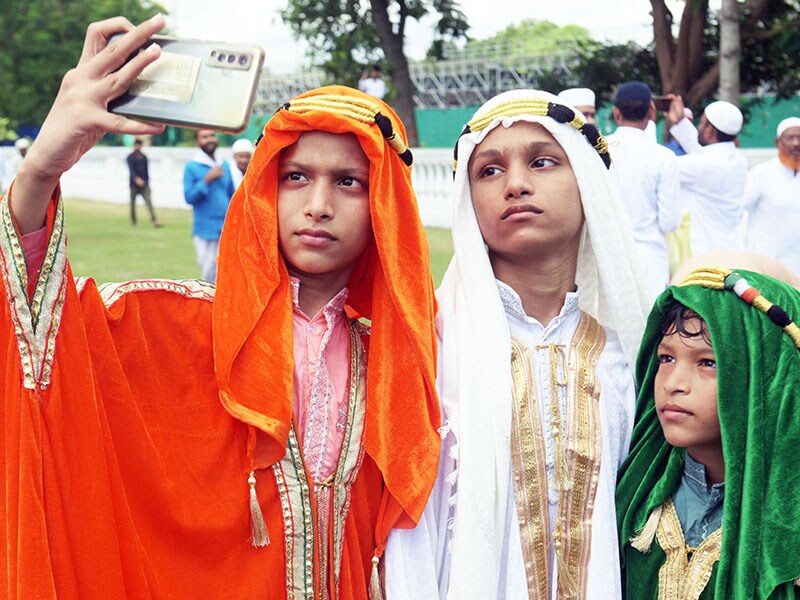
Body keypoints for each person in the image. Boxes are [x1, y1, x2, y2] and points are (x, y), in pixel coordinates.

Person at [1, 14, 439, 599]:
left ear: (387, 202)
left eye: (349, 182)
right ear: (263, 187)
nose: (317, 204)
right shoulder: (173, 324)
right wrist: (40, 171)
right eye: (295, 176)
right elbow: (37, 328)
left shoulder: (407, 353)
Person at [385, 89, 650, 599]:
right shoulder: (430, 347)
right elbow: (408, 537)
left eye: (543, 161)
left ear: (586, 183)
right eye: (489, 170)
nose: (516, 185)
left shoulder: (636, 358)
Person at [617, 266, 800, 598]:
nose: (673, 384)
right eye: (666, 358)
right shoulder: (634, 496)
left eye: (708, 363)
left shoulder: (790, 525)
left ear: (768, 378)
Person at [607, 81, 680, 300]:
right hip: (650, 258)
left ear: (615, 112)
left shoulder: (598, 149)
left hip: (607, 252)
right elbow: (669, 222)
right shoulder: (664, 157)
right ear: (651, 111)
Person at [666, 96, 747, 257]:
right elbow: (702, 154)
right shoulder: (738, 160)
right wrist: (680, 123)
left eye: (702, 123)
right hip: (730, 249)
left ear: (710, 130)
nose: (699, 127)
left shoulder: (703, 165)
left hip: (703, 254)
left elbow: (660, 167)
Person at [742, 117, 800, 275]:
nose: (796, 143)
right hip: (767, 267)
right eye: (790, 138)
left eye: (799, 138)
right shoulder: (760, 174)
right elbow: (738, 211)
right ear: (778, 143)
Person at [183, 128, 235, 282]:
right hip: (205, 229)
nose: (209, 139)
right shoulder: (192, 166)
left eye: (212, 135)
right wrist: (207, 179)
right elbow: (189, 197)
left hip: (226, 227)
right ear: (197, 142)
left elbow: (232, 195)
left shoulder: (223, 164)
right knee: (208, 274)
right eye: (204, 137)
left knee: (227, 272)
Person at [126, 138, 162, 227]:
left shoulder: (144, 157)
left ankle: (154, 220)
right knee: (133, 204)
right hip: (134, 185)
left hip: (145, 184)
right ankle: (134, 221)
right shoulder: (130, 157)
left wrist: (146, 182)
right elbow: (131, 171)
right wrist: (137, 179)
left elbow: (146, 171)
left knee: (149, 202)